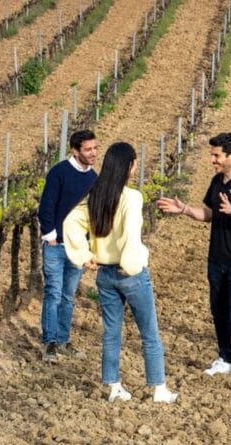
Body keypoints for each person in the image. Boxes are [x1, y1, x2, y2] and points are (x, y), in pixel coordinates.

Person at [64, 142, 178, 403]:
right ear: (129, 166)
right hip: (131, 275)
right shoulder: (132, 197)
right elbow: (131, 234)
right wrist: (131, 264)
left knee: (112, 333)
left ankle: (114, 387)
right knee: (149, 333)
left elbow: (70, 222)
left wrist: (83, 256)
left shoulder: (95, 196)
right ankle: (159, 389)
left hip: (104, 275)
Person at [156, 132, 231, 384]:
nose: (212, 160)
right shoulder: (217, 181)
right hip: (217, 258)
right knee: (219, 312)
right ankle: (226, 360)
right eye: (212, 155)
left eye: (216, 155)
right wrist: (184, 210)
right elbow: (208, 214)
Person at [38, 130, 98, 363]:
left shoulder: (94, 178)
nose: (93, 153)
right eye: (88, 149)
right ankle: (50, 343)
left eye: (95, 148)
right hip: (56, 245)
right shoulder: (59, 172)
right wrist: (51, 236)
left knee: (68, 295)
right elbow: (46, 206)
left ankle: (63, 340)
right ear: (75, 150)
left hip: (78, 248)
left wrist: (88, 246)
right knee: (53, 293)